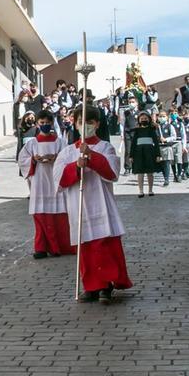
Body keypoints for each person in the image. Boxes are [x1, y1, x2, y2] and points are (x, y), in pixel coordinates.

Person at [54, 105, 132, 303]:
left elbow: (112, 172)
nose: (85, 125)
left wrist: (91, 157)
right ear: (75, 123)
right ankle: (91, 286)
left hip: (100, 202)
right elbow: (59, 179)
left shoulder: (105, 147)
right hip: (78, 204)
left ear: (97, 124)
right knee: (86, 247)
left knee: (103, 245)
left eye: (89, 122)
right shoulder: (67, 152)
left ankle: (106, 285)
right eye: (81, 122)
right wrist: (76, 166)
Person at [17, 110, 74, 258]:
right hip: (40, 182)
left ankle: (60, 247)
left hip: (56, 182)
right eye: (42, 123)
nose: (45, 125)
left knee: (59, 217)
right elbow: (22, 160)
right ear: (37, 124)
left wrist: (55, 157)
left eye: (48, 123)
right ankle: (41, 248)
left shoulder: (60, 142)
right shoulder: (32, 143)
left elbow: (68, 159)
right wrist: (34, 160)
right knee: (41, 216)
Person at [129, 111, 161, 197]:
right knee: (140, 172)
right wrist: (131, 155)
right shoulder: (137, 131)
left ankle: (150, 190)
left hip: (150, 152)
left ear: (149, 119)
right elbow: (133, 144)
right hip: (139, 153)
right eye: (142, 119)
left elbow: (156, 143)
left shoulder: (152, 130)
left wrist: (158, 155)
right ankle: (141, 190)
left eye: (145, 118)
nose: (144, 120)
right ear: (139, 120)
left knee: (150, 172)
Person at [155, 112, 176, 187]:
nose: (162, 118)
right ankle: (164, 176)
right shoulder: (157, 127)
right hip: (159, 147)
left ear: (167, 117)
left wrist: (166, 139)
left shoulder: (170, 126)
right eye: (160, 116)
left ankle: (166, 179)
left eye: (163, 116)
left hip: (167, 147)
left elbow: (174, 137)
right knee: (161, 164)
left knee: (166, 163)